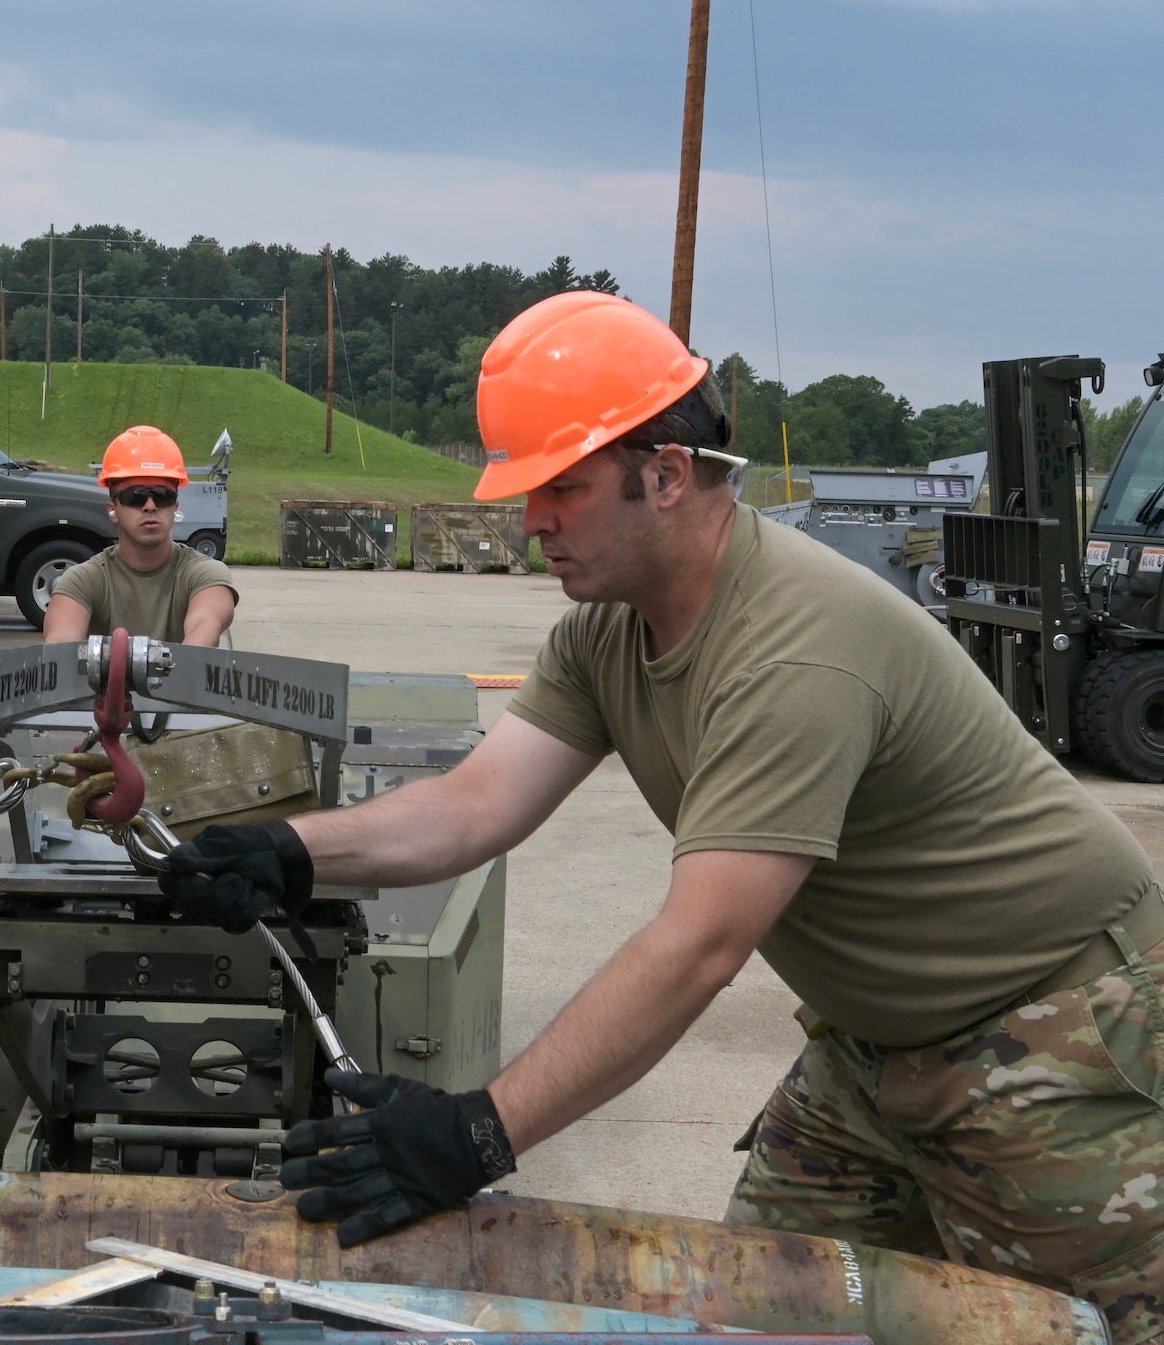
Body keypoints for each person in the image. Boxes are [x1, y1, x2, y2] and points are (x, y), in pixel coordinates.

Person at [161, 293, 1164, 1331]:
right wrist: (285, 850)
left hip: (1057, 1031)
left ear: (666, 473)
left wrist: (477, 1132)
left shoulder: (791, 646)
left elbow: (698, 944)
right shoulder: (608, 628)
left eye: (561, 485)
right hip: (874, 1049)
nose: (532, 518)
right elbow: (470, 806)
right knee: (760, 1316)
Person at [41, 425, 235, 646]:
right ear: (112, 509)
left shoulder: (204, 574)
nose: (150, 506)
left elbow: (204, 627)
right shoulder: (83, 581)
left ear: (175, 506)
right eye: (136, 496)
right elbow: (60, 649)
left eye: (162, 496)